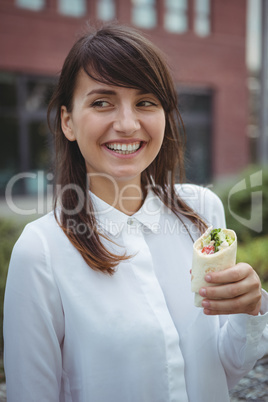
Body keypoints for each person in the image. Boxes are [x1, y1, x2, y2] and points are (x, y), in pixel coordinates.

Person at [3, 24, 268, 402]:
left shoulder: (202, 210)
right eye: (101, 102)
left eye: (146, 102)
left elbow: (221, 369)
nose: (127, 124)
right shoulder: (41, 250)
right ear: (68, 121)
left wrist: (250, 309)